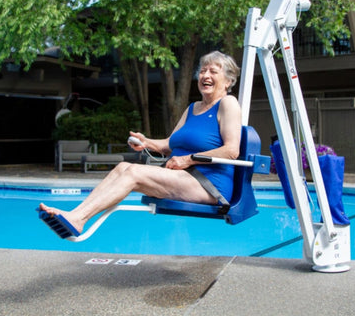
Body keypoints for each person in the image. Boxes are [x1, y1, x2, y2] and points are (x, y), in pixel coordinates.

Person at [39, 51, 242, 237]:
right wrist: (146, 142)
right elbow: (169, 144)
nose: (205, 75)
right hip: (181, 176)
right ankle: (75, 214)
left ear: (228, 81)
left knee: (134, 172)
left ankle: (78, 219)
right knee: (123, 167)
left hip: (209, 185)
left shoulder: (228, 103)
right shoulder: (193, 108)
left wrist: (187, 160)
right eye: (203, 70)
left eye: (213, 72)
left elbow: (231, 151)